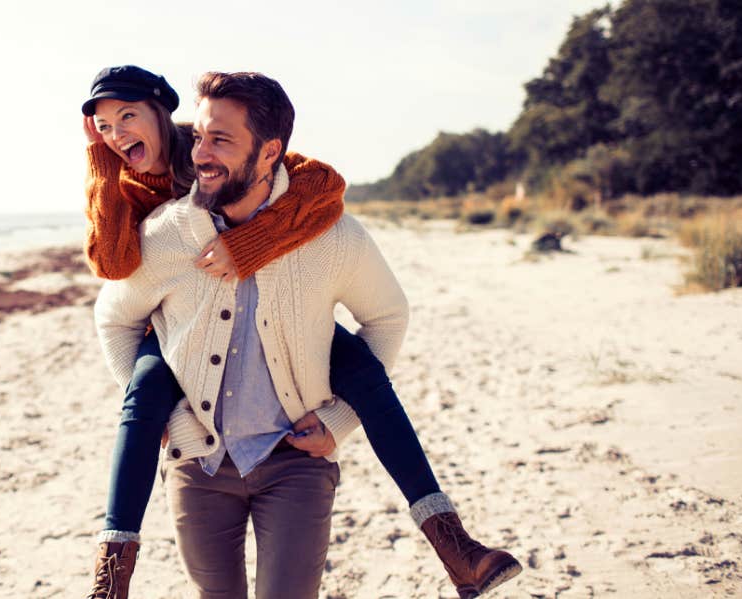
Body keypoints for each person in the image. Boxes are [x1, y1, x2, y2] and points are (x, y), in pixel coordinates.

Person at [83, 66, 520, 599]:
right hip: (200, 453)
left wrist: (339, 419)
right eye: (200, 137)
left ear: (269, 152)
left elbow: (381, 302)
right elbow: (113, 299)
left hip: (295, 464)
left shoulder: (323, 229)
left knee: (358, 366)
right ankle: (111, 574)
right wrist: (173, 418)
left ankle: (452, 541)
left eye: (220, 139)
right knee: (145, 392)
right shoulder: (163, 223)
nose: (201, 154)